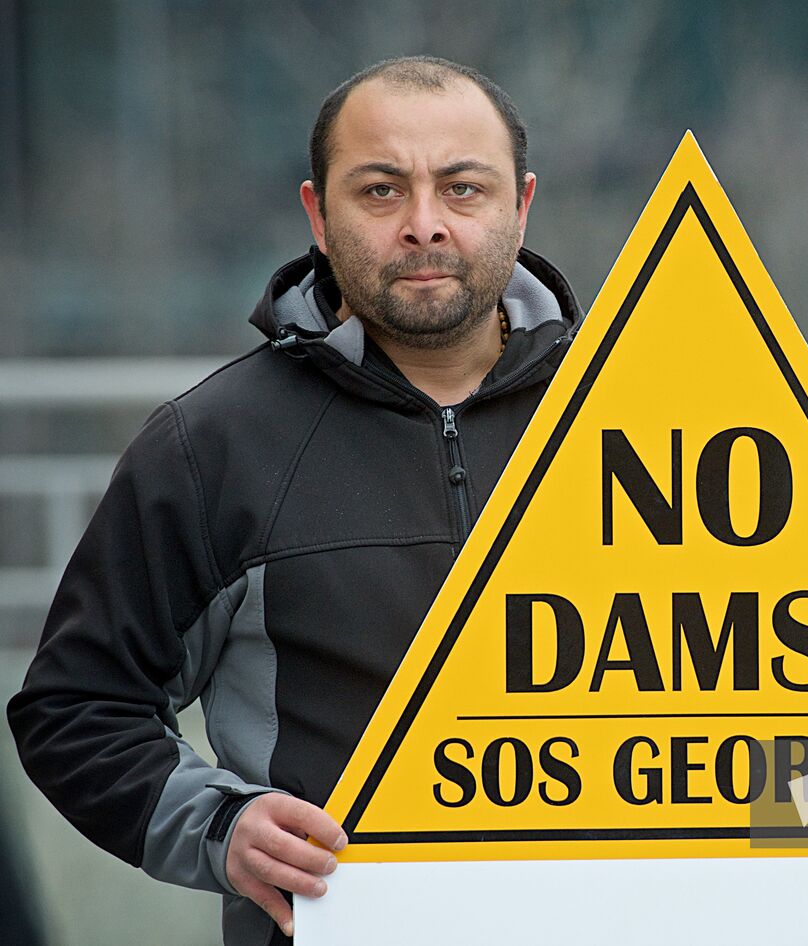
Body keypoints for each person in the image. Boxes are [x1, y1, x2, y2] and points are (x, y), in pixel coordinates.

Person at [8, 57, 580, 946]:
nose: (424, 223)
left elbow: (792, 721)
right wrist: (221, 826)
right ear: (318, 213)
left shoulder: (643, 421)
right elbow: (76, 708)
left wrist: (802, 844)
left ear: (522, 204)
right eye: (381, 190)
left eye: (463, 188)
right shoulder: (212, 446)